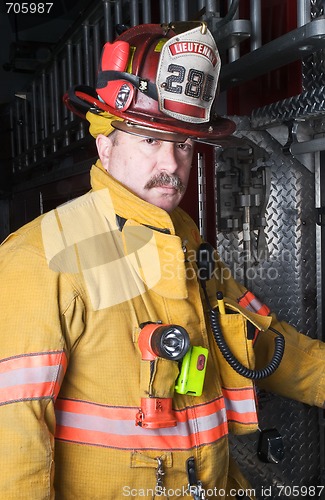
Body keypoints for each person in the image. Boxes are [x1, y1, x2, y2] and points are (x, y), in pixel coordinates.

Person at [0, 21, 324, 500]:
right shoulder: (39, 256)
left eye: (184, 143)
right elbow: (15, 444)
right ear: (105, 145)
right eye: (150, 139)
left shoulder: (188, 244)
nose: (172, 164)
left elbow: (267, 346)